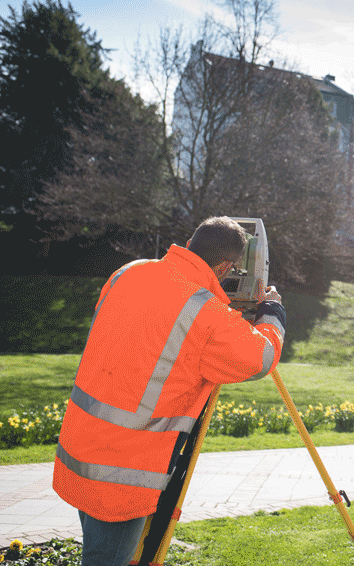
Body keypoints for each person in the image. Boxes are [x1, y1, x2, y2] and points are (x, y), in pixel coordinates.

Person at [53, 216, 287, 566]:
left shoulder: (128, 272)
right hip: (123, 472)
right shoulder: (206, 313)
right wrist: (272, 315)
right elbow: (259, 358)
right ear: (226, 266)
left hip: (80, 446)